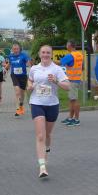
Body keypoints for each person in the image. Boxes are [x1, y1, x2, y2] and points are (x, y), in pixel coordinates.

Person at [27, 44, 71, 178]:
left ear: (51, 54)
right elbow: (29, 81)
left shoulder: (57, 69)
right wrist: (30, 87)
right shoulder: (34, 68)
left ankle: (46, 150)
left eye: (48, 53)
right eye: (43, 52)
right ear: (39, 54)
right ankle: (42, 167)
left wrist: (56, 81)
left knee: (48, 134)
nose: (45, 55)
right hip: (36, 103)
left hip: (52, 104)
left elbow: (68, 86)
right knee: (40, 135)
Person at [60, 40, 84, 126]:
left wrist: (48, 61)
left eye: (67, 45)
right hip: (76, 79)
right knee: (72, 100)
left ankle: (76, 120)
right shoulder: (80, 55)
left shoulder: (70, 55)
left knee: (74, 100)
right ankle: (70, 118)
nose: (66, 46)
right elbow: (82, 67)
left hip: (72, 80)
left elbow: (60, 62)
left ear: (70, 46)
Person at [7, 43, 31, 117]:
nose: (15, 50)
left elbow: (28, 63)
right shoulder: (10, 56)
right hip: (14, 75)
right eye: (14, 49)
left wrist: (29, 64)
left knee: (22, 93)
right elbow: (9, 64)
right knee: (17, 92)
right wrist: (6, 68)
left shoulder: (24, 55)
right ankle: (17, 109)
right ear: (12, 49)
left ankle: (21, 105)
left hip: (23, 76)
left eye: (17, 49)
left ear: (19, 49)